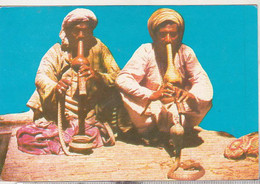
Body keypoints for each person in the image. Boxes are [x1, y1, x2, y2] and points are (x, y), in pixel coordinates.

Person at [16, 8, 125, 155]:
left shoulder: (98, 48)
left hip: (89, 114)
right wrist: (56, 87)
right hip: (60, 114)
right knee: (28, 138)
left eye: (85, 31)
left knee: (92, 133)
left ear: (91, 31)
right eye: (76, 31)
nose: (81, 36)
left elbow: (118, 76)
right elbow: (41, 76)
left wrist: (97, 76)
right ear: (67, 31)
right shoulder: (57, 51)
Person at [116, 8, 213, 145]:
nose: (168, 40)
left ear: (180, 34)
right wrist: (151, 94)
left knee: (204, 99)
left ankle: (173, 133)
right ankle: (151, 132)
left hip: (177, 103)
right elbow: (123, 78)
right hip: (152, 104)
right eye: (163, 34)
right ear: (154, 35)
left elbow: (201, 79)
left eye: (173, 35)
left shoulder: (185, 52)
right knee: (125, 91)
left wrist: (191, 95)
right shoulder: (146, 50)